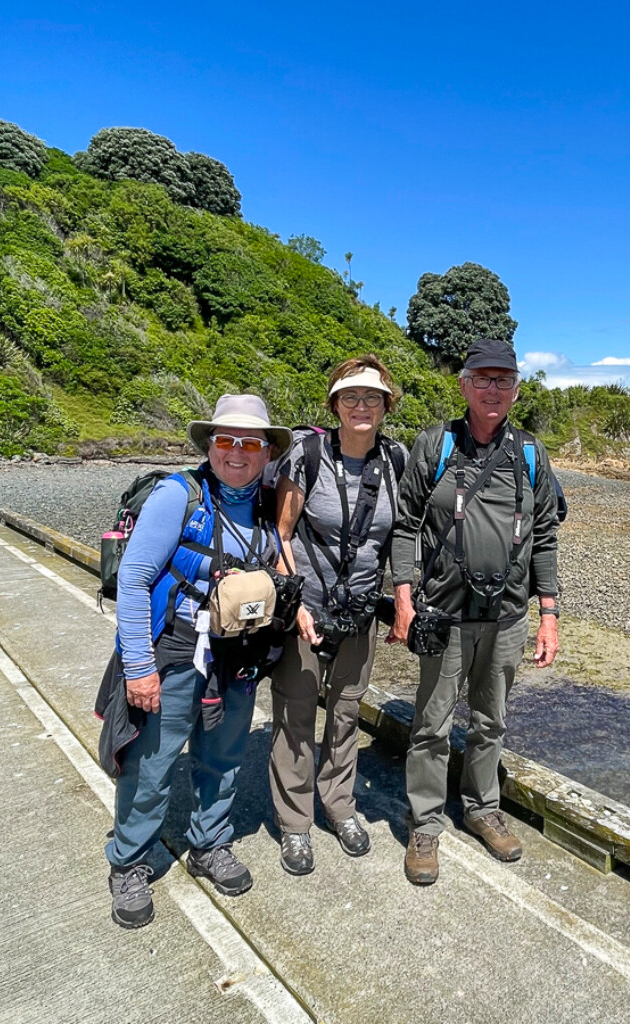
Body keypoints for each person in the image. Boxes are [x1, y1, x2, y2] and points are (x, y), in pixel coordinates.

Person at [104, 394, 293, 928]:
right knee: (153, 763)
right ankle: (130, 862)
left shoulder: (268, 504)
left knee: (224, 754)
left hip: (238, 653)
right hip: (176, 651)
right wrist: (138, 667)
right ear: (210, 445)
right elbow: (136, 580)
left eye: (250, 442)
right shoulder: (177, 496)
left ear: (266, 452)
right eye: (226, 440)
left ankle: (209, 843)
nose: (237, 452)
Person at [388, 338, 560, 885]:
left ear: (516, 389)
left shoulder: (531, 455)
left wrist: (550, 611)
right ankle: (426, 824)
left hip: (508, 616)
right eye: (482, 379)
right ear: (463, 384)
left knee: (492, 720)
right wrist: (404, 595)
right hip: (444, 613)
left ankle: (483, 808)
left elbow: (547, 535)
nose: (492, 389)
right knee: (432, 724)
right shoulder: (435, 445)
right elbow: (404, 524)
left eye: (503, 380)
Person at [269, 355, 407, 875]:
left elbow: (401, 538)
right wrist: (296, 602)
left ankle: (340, 806)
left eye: (372, 397)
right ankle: (296, 823)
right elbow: (282, 534)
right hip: (306, 608)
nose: (361, 406)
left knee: (347, 712)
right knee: (296, 715)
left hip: (361, 614)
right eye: (350, 397)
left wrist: (402, 601)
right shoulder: (307, 456)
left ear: (387, 405)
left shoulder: (395, 460)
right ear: (334, 404)